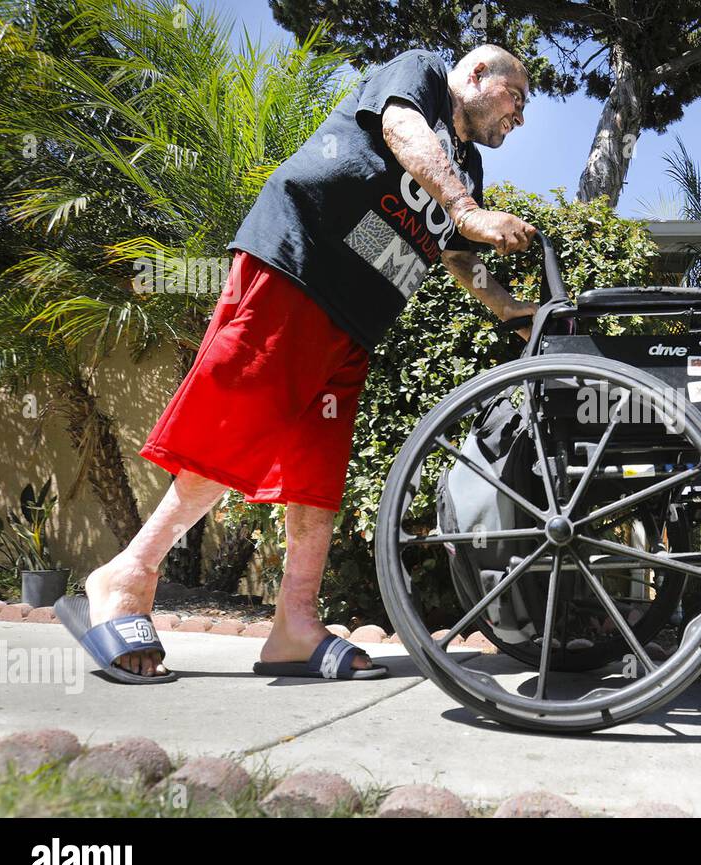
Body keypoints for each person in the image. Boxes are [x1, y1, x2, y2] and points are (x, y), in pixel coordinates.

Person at [58, 44, 538, 682]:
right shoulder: (421, 74)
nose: (521, 119)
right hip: (299, 263)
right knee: (241, 423)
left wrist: (511, 310)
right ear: (477, 76)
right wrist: (467, 209)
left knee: (316, 469)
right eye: (518, 99)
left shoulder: (466, 165)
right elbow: (400, 129)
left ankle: (294, 622)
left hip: (356, 315)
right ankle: (130, 572)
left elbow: (455, 254)